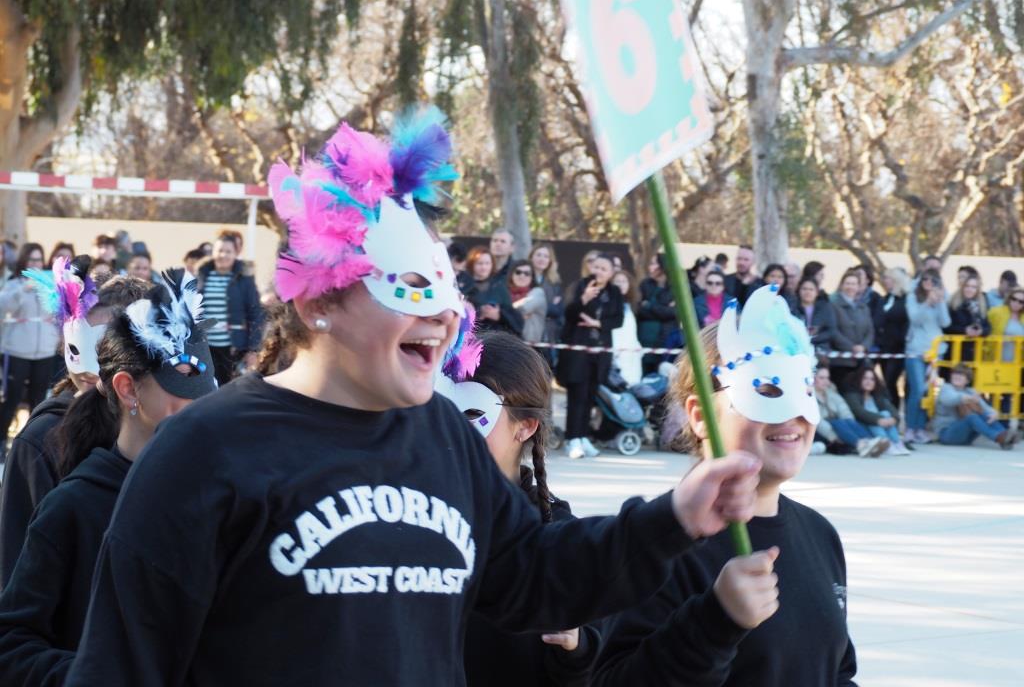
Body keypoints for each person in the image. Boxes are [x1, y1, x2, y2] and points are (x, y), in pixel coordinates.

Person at [64, 110, 761, 686]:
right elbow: (122, 664)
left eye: (446, 288)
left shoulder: (444, 437)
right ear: (317, 303)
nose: (445, 315)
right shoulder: (206, 450)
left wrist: (672, 518)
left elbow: (530, 576)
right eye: (411, 288)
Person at [593, 286, 858, 686]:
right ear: (700, 416)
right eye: (767, 389)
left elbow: (837, 673)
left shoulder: (820, 535)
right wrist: (715, 621)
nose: (792, 415)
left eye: (803, 389)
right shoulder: (656, 545)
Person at [0, 271, 217, 684]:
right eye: (181, 382)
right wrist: (96, 674)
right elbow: (12, 641)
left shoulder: (221, 495)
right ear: (128, 389)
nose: (198, 403)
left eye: (206, 386)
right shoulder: (73, 505)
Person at [437, 331, 601, 686]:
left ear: (525, 427)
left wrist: (575, 647)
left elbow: (585, 671)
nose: (453, 430)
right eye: (442, 410)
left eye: (472, 413)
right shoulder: (413, 515)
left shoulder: (556, 537)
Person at [0, 264, 149, 589]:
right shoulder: (40, 441)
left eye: (103, 346)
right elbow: (15, 565)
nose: (88, 367)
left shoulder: (157, 428)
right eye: (79, 344)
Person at [557, 253, 624, 459]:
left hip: (600, 351)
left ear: (611, 273)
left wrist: (598, 324)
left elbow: (618, 320)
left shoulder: (614, 292)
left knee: (590, 396)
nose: (599, 272)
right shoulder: (580, 285)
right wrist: (584, 299)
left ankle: (584, 436)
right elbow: (569, 313)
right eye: (596, 267)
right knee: (577, 395)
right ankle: (572, 439)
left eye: (604, 269)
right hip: (579, 350)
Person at [0, 244, 59, 452]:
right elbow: (3, 307)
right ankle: (2, 441)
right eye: (32, 260)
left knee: (39, 400)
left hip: (44, 351)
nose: (35, 264)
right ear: (24, 261)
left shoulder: (50, 284)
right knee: (12, 398)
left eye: (39, 260)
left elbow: (58, 311)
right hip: (17, 350)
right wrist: (22, 290)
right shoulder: (13, 284)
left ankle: (34, 443)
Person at [195, 233, 264, 385]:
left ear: (235, 254)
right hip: (206, 348)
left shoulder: (244, 279)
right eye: (220, 250)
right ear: (213, 252)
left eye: (228, 251)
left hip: (234, 349)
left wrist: (253, 349)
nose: (223, 255)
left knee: (231, 389)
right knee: (208, 389)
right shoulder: (202, 276)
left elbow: (256, 314)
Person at [905, 270, 950, 443]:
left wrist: (940, 302)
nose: (928, 282)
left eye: (933, 280)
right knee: (917, 390)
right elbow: (915, 319)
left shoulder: (940, 299)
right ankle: (911, 427)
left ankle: (921, 428)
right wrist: (927, 303)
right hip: (916, 351)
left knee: (928, 391)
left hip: (934, 352)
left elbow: (945, 322)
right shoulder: (912, 297)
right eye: (925, 279)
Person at [933, 364, 1018, 449]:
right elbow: (949, 399)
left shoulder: (970, 391)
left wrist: (993, 413)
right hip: (947, 434)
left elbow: (985, 407)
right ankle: (1000, 438)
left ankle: (1005, 436)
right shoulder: (946, 388)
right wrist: (967, 398)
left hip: (967, 437)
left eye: (961, 375)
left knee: (985, 414)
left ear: (967, 380)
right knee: (971, 417)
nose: (957, 376)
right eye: (955, 374)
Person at [813, 365, 888, 457]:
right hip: (821, 432)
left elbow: (844, 409)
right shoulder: (809, 396)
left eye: (827, 378)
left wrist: (850, 423)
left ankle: (869, 442)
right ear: (813, 379)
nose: (826, 381)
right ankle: (861, 445)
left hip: (840, 428)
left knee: (847, 421)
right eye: (821, 378)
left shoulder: (831, 393)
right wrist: (833, 436)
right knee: (838, 423)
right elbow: (817, 422)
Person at [843, 365, 910, 455]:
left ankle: (897, 443)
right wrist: (878, 420)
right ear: (859, 379)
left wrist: (893, 419)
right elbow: (859, 413)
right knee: (881, 416)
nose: (869, 382)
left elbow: (891, 408)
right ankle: (887, 444)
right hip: (862, 427)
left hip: (880, 427)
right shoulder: (852, 395)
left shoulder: (877, 395)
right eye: (865, 378)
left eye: (872, 379)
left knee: (886, 413)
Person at [463, 246, 523, 336]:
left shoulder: (499, 287)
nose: (484, 267)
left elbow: (514, 317)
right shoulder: (463, 285)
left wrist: (499, 315)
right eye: (480, 263)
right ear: (472, 264)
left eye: (487, 263)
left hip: (493, 336)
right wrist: (479, 312)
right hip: (470, 336)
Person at [829, 270, 874, 388]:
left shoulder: (863, 307)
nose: (850, 287)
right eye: (847, 283)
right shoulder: (833, 304)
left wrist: (863, 347)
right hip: (841, 361)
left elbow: (870, 331)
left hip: (860, 360)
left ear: (858, 287)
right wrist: (851, 348)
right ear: (842, 285)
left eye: (854, 284)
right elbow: (833, 330)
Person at [875, 268, 910, 407]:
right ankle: (893, 410)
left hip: (899, 349)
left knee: (891, 380)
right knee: (887, 383)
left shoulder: (906, 300)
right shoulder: (885, 299)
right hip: (884, 348)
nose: (885, 281)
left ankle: (897, 410)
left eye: (888, 278)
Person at [637, 254, 675, 373]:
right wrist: (662, 309)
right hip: (644, 339)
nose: (650, 267)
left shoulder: (674, 288)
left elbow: (672, 313)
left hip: (665, 339)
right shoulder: (644, 284)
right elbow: (639, 310)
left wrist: (649, 305)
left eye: (653, 264)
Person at [529, 243, 564, 365]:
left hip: (548, 336)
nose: (542, 259)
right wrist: (548, 306)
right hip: (527, 334)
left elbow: (558, 311)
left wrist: (538, 307)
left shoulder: (554, 282)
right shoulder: (523, 276)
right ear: (531, 257)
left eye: (546, 256)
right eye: (538, 255)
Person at [945, 272, 990, 363]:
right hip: (955, 354)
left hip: (975, 354)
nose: (970, 289)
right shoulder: (953, 304)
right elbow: (946, 327)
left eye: (973, 287)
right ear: (962, 287)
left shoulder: (981, 306)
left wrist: (981, 331)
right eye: (967, 286)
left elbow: (988, 327)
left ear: (977, 289)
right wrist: (965, 330)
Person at [611, 269, 642, 386]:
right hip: (616, 354)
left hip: (632, 354)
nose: (621, 284)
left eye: (624, 281)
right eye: (617, 281)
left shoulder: (629, 305)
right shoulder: (610, 304)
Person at [791, 277, 836, 351]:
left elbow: (831, 331)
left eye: (811, 289)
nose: (807, 292)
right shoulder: (792, 308)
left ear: (817, 292)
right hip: (797, 347)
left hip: (820, 347)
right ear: (799, 290)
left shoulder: (825, 307)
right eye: (804, 289)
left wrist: (811, 340)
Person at [508, 260, 547, 344]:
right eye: (518, 272)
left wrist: (503, 312)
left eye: (527, 273)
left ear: (532, 277)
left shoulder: (537, 292)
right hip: (507, 341)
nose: (522, 276)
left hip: (528, 345)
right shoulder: (505, 292)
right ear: (511, 275)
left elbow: (523, 309)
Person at [987, 286, 1024, 364]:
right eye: (1014, 299)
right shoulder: (996, 312)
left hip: (1018, 363)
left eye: (1021, 302)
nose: (1016, 303)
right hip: (995, 359)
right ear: (1009, 298)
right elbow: (984, 327)